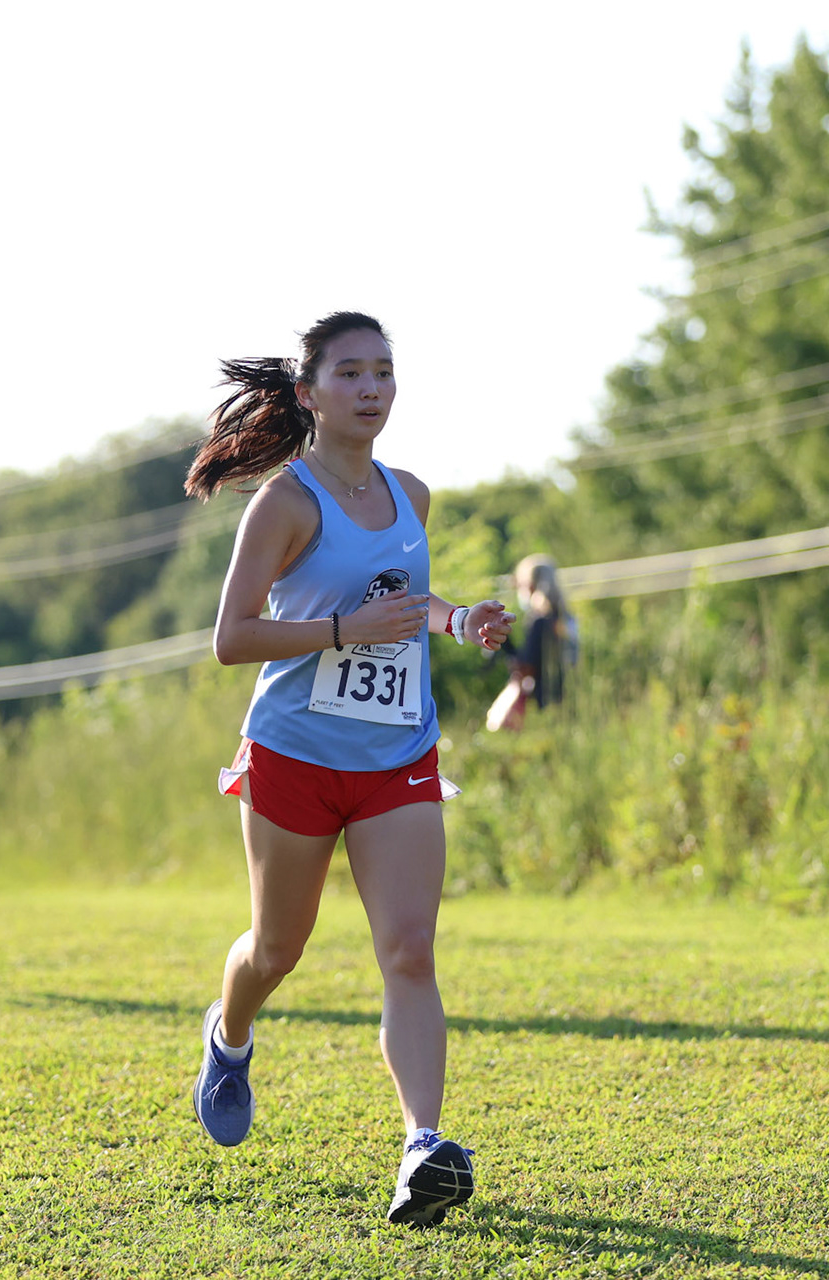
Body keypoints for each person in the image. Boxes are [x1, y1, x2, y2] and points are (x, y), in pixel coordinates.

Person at [184, 312, 513, 1226]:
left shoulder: (411, 494)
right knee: (277, 950)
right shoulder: (284, 504)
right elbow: (231, 638)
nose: (372, 389)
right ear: (309, 393)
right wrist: (340, 631)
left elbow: (403, 600)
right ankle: (230, 1033)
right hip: (294, 754)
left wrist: (458, 620)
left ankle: (422, 1148)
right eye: (351, 373)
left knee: (409, 949)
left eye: (384, 372)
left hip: (397, 753)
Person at [488, 553, 578, 731]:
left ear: (531, 585)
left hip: (543, 698)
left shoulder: (539, 620)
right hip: (568, 694)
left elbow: (527, 666)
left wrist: (505, 643)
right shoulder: (565, 617)